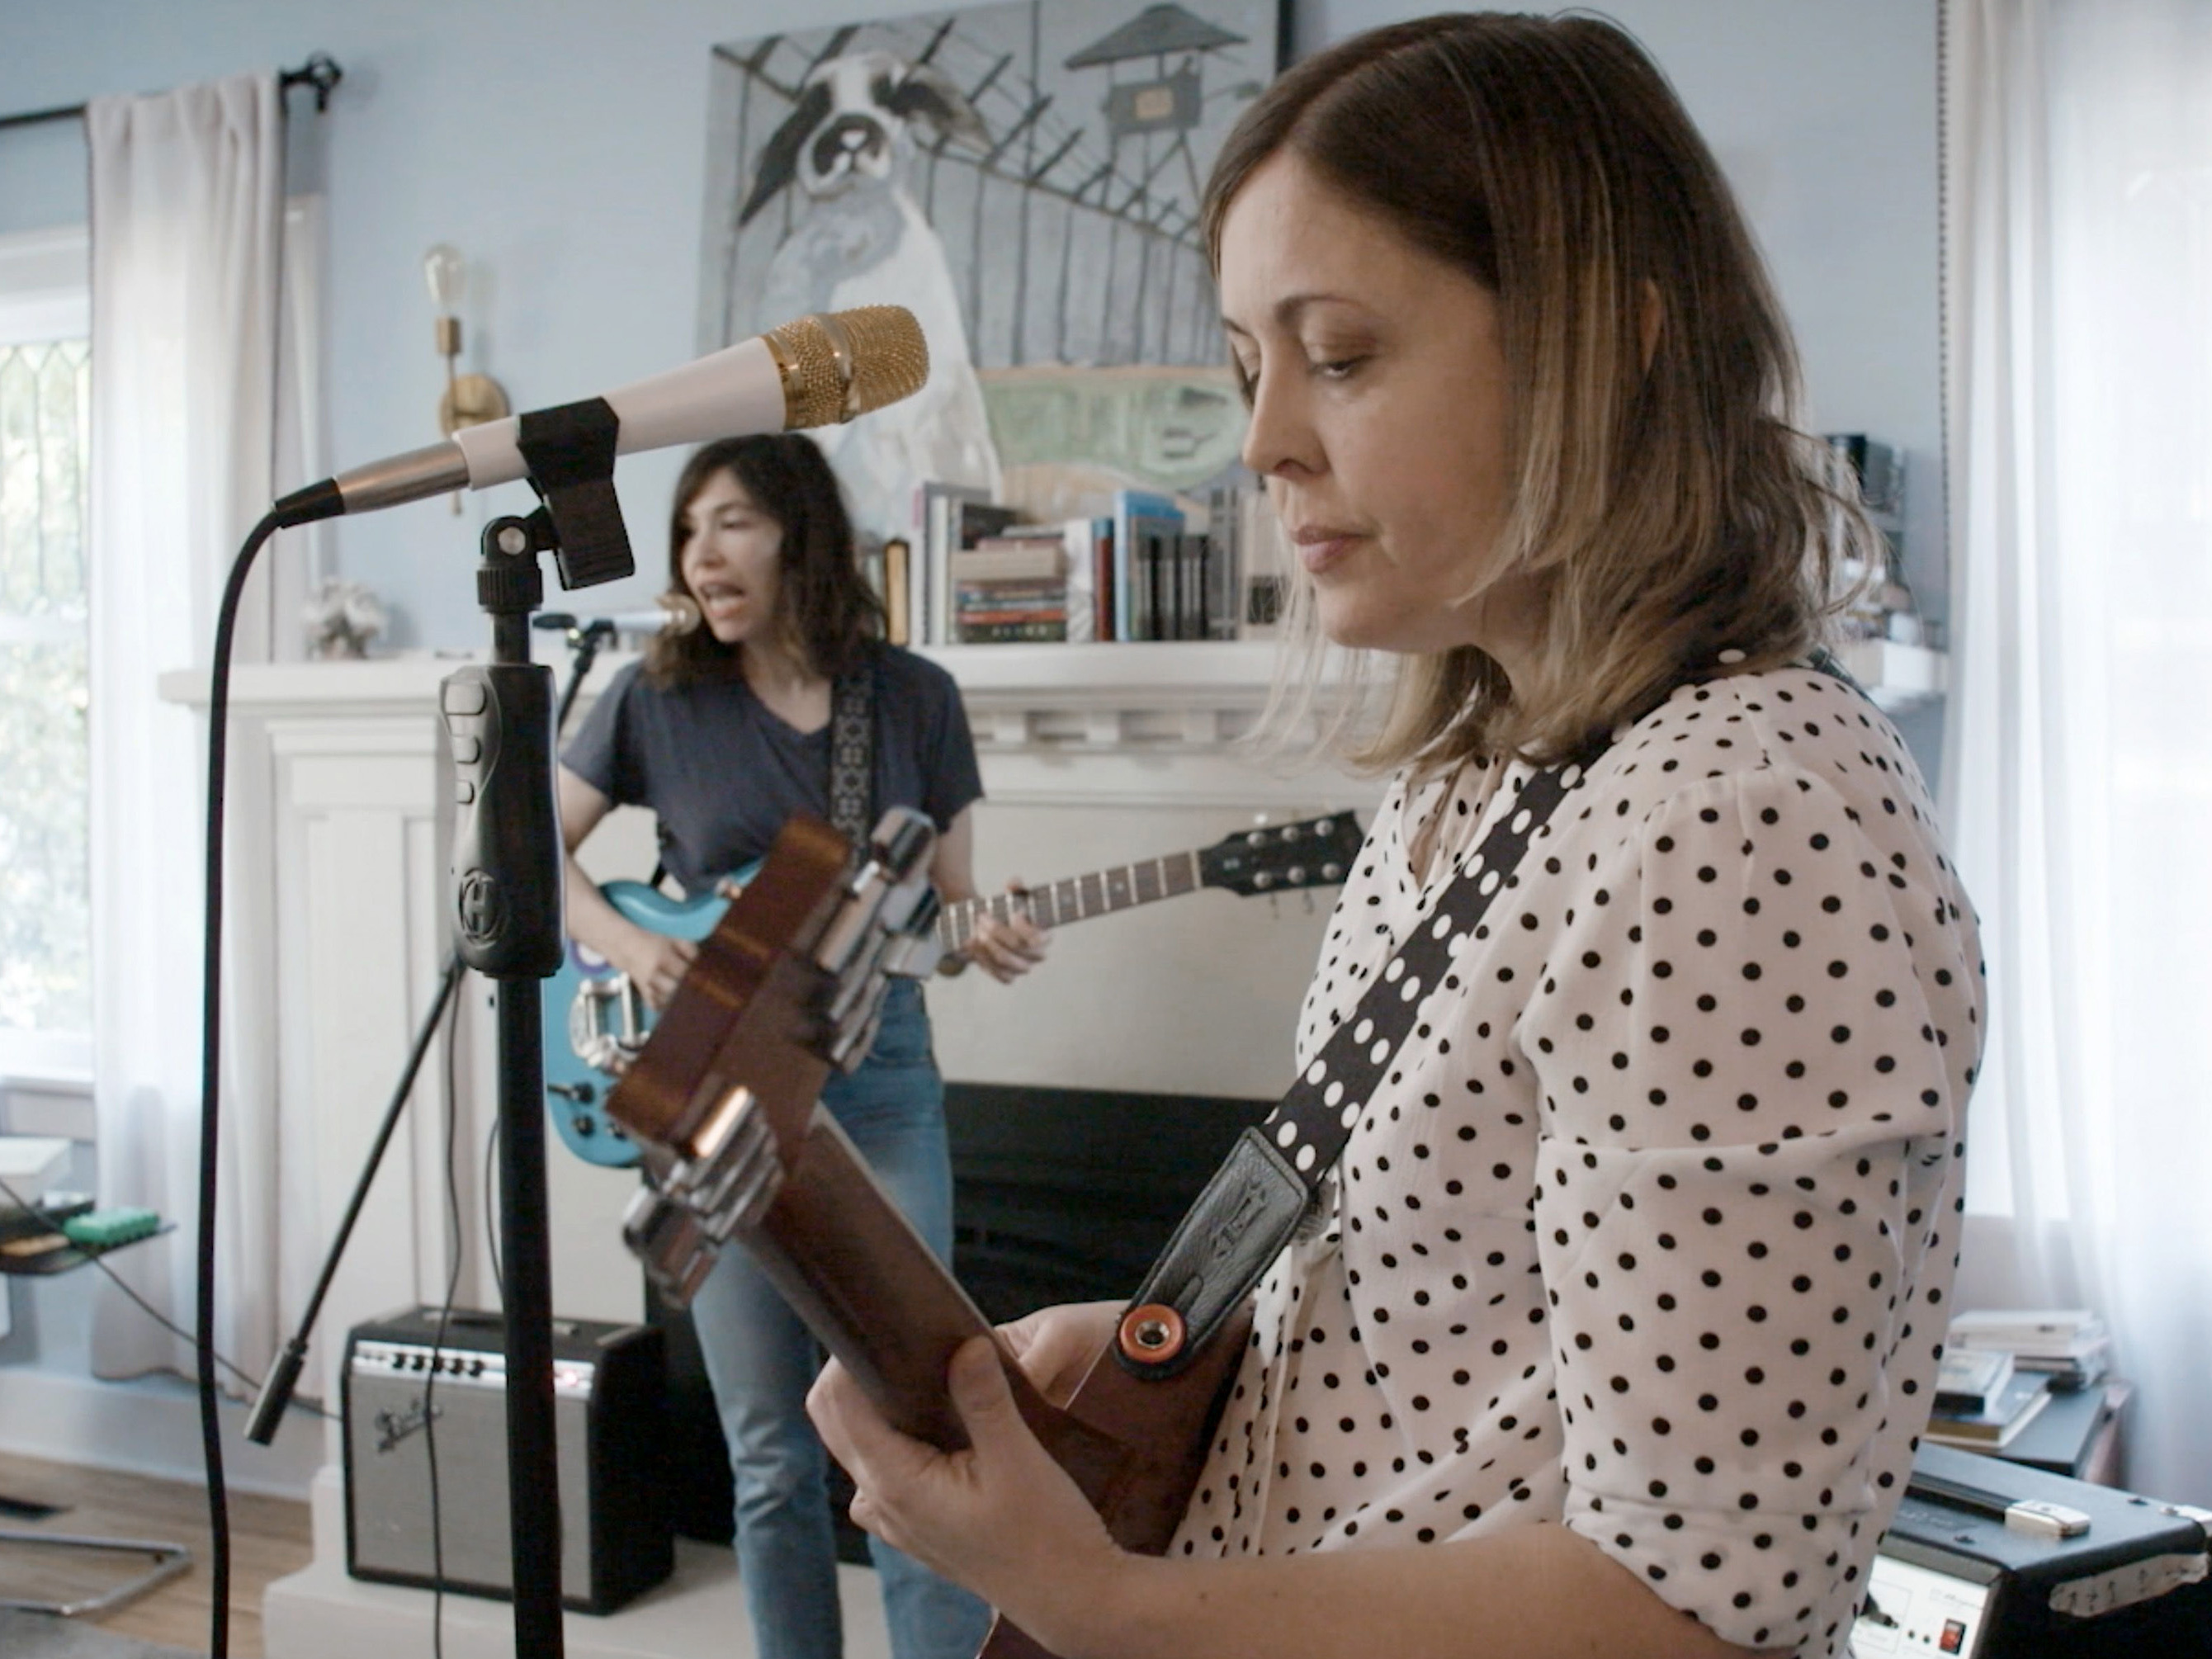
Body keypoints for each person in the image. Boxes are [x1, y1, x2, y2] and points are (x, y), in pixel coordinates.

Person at [805, 14, 1983, 1659]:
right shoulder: (1482, 779)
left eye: (1339, 355)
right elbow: (1458, 1353)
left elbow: (1683, 1604)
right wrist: (1171, 1359)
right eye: (1246, 367)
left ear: (1610, 344)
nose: (1265, 439)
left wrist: (1093, 1603)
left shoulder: (1737, 815)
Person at [556, 430, 1047, 1659]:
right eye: (686, 530)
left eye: (728, 521)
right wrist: (619, 937)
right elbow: (532, 844)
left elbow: (944, 911)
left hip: (878, 1089)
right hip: (716, 1086)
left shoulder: (915, 696)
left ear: (797, 535)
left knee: (916, 1425)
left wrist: (981, 938)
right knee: (769, 1447)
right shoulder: (655, 696)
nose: (698, 552)